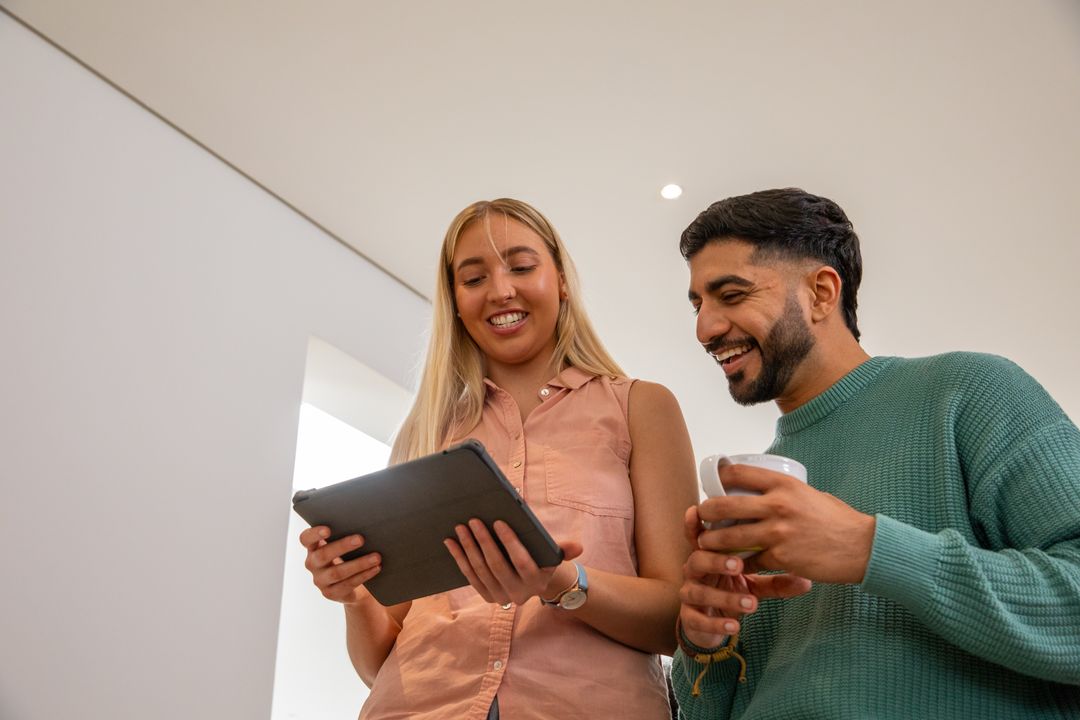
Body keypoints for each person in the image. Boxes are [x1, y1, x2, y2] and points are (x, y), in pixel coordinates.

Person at [671, 188, 1080, 718]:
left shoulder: (972, 391)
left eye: (731, 294)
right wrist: (705, 638)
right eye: (698, 305)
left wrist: (869, 549)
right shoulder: (760, 492)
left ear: (821, 293)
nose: (704, 329)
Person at [300, 198, 699, 719]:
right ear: (455, 302)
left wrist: (562, 583)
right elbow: (379, 664)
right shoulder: (426, 433)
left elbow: (679, 621)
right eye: (473, 278)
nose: (500, 290)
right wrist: (354, 597)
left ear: (561, 280)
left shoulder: (642, 408)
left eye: (522, 267)